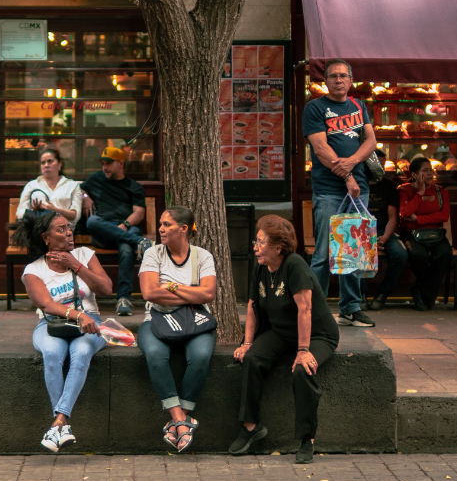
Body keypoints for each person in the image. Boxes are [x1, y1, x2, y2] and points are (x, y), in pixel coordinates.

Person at [230, 215, 339, 464]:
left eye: (260, 242)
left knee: (302, 369)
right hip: (282, 331)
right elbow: (252, 305)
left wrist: (303, 350)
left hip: (318, 334)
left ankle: (306, 438)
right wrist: (247, 343)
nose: (255, 247)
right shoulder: (260, 265)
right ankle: (250, 427)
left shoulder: (295, 266)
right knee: (253, 358)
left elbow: (305, 309)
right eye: (255, 241)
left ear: (278, 248)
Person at [12, 212, 113, 452]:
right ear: (46, 237)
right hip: (51, 325)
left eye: (69, 228)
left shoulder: (85, 255)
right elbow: (46, 305)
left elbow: (107, 289)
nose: (69, 233)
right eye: (61, 229)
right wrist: (78, 315)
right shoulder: (33, 270)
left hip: (91, 323)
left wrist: (76, 265)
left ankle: (58, 423)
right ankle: (62, 424)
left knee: (81, 352)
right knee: (53, 354)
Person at [302, 58, 377, 327]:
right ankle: (316, 311)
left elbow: (371, 141)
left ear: (350, 80)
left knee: (353, 251)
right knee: (323, 254)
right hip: (329, 191)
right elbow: (320, 149)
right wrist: (346, 175)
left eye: (343, 76)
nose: (338, 80)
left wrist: (353, 163)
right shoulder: (315, 108)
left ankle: (350, 309)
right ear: (325, 81)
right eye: (333, 76)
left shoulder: (358, 106)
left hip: (359, 189)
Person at [138, 206, 217, 453]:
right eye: (161, 224)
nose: (161, 229)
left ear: (183, 229)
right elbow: (150, 293)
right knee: (155, 355)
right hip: (156, 319)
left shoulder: (203, 256)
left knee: (201, 356)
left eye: (167, 225)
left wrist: (169, 287)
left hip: (195, 322)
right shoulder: (154, 254)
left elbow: (208, 294)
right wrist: (190, 293)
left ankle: (179, 420)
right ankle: (180, 420)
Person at [80, 147, 152, 316]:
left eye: (109, 164)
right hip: (104, 232)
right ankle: (140, 242)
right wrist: (86, 197)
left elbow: (139, 213)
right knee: (93, 221)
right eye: (103, 164)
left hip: (125, 228)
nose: (105, 167)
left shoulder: (133, 186)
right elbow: (80, 188)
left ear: (121, 164)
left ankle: (123, 298)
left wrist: (125, 225)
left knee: (126, 249)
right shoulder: (96, 179)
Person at [399, 156, 453, 311]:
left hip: (436, 233)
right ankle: (427, 294)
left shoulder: (441, 191)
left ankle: (421, 291)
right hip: (412, 234)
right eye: (425, 170)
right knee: (417, 255)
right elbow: (405, 212)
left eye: (431, 170)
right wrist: (420, 193)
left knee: (445, 254)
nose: (430, 173)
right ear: (414, 174)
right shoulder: (404, 190)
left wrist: (417, 219)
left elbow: (444, 216)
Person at [363, 149, 408, 310]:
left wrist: (384, 237)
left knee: (400, 254)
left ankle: (382, 294)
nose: (381, 169)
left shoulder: (388, 185)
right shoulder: (358, 183)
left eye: (383, 165)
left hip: (383, 230)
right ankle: (360, 294)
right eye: (377, 165)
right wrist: (370, 239)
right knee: (356, 252)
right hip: (361, 231)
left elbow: (392, 217)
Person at [17, 147, 82, 230]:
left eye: (50, 161)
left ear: (59, 164)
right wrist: (34, 212)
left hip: (64, 230)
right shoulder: (31, 185)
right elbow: (20, 213)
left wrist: (54, 210)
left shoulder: (72, 185)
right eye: (43, 163)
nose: (46, 165)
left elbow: (75, 216)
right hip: (39, 230)